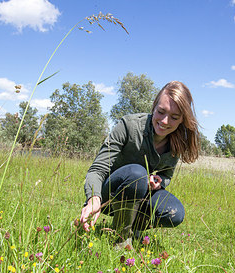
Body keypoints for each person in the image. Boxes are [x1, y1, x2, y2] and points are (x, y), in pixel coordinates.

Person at [80, 81, 200, 245]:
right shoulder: (128, 125)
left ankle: (129, 226)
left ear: (182, 120)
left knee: (175, 214)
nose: (165, 121)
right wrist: (94, 199)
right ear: (154, 106)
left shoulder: (176, 143)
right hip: (109, 196)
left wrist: (158, 182)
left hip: (140, 195)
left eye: (174, 117)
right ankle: (121, 241)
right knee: (137, 173)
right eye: (161, 112)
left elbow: (166, 176)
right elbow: (97, 169)